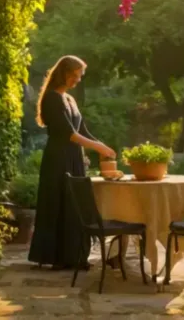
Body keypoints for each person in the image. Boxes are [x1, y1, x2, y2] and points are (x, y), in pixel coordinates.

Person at [28, 55, 116, 270]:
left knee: (75, 206)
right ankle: (59, 257)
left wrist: (103, 146)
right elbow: (69, 134)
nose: (77, 79)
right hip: (58, 159)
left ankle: (76, 255)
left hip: (74, 158)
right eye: (75, 75)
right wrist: (98, 148)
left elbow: (82, 131)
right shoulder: (52, 98)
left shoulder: (69, 99)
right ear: (64, 73)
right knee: (61, 203)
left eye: (80, 76)